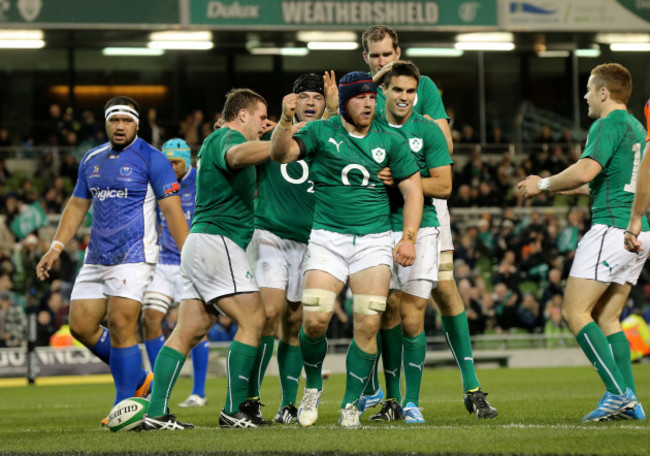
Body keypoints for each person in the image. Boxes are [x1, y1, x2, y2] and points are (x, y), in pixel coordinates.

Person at [270, 71, 424, 428]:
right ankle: (312, 386)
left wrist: (409, 238)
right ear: (345, 102)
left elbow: (413, 192)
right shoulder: (320, 131)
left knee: (368, 324)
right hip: (327, 240)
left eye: (372, 97)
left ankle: (350, 404)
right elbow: (281, 154)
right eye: (360, 97)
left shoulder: (391, 140)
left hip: (373, 243)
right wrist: (284, 120)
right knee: (314, 321)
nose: (368, 103)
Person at [360, 24, 498, 419]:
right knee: (384, 304)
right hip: (376, 214)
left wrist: (406, 154)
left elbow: (446, 147)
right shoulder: (363, 96)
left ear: (398, 52)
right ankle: (382, 392)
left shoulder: (424, 88)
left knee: (445, 288)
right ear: (366, 59)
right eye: (376, 57)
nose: (384, 63)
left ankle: (472, 387)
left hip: (426, 209)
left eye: (389, 55)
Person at [35, 96, 190, 424]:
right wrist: (56, 247)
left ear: (137, 124)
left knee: (121, 323)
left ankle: (124, 406)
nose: (120, 126)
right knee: (80, 325)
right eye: (114, 120)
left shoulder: (154, 159)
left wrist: (189, 253)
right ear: (107, 123)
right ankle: (138, 379)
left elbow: (172, 212)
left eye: (126, 120)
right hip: (97, 256)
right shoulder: (91, 159)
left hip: (135, 256)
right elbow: (77, 206)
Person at [518, 63, 646, 421]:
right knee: (608, 317)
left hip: (611, 229)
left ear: (604, 93)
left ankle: (618, 394)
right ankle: (630, 400)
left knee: (574, 312)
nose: (586, 96)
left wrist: (542, 183)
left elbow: (587, 169)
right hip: (638, 229)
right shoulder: (635, 126)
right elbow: (601, 179)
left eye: (590, 89)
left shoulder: (606, 123)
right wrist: (555, 186)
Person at [141, 88, 274, 430]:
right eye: (261, 117)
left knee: (189, 330)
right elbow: (237, 155)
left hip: (200, 244)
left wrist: (277, 135)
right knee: (254, 319)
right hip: (218, 241)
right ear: (242, 115)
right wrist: (279, 142)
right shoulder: (225, 137)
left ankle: (155, 414)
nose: (264, 124)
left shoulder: (218, 138)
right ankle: (233, 411)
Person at [360, 61, 453, 424]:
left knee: (413, 316)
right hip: (376, 228)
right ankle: (391, 399)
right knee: (384, 314)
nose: (404, 97)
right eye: (397, 90)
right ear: (384, 91)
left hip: (422, 229)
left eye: (410, 92)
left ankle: (412, 401)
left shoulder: (427, 131)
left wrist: (402, 179)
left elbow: (444, 185)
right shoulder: (369, 127)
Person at [246, 73, 333, 424]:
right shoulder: (270, 136)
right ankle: (249, 399)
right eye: (304, 96)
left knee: (295, 320)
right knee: (269, 312)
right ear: (292, 102)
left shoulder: (333, 138)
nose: (310, 102)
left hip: (313, 241)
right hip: (270, 234)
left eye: (317, 96)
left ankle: (287, 404)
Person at [139, 138, 206, 408]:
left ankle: (198, 392)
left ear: (187, 160)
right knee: (150, 319)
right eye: (167, 162)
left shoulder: (202, 181)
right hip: (165, 262)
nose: (171, 167)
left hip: (193, 261)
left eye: (176, 162)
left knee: (197, 329)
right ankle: (158, 385)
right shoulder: (158, 182)